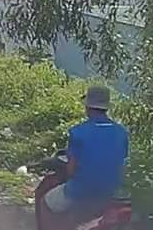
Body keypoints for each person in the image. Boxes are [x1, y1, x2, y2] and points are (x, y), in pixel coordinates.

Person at [44, 85, 129, 214]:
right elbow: (121, 164)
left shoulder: (78, 132)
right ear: (106, 108)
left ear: (88, 107)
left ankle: (41, 228)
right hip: (111, 192)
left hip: (81, 191)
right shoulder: (121, 132)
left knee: (46, 201)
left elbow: (71, 170)